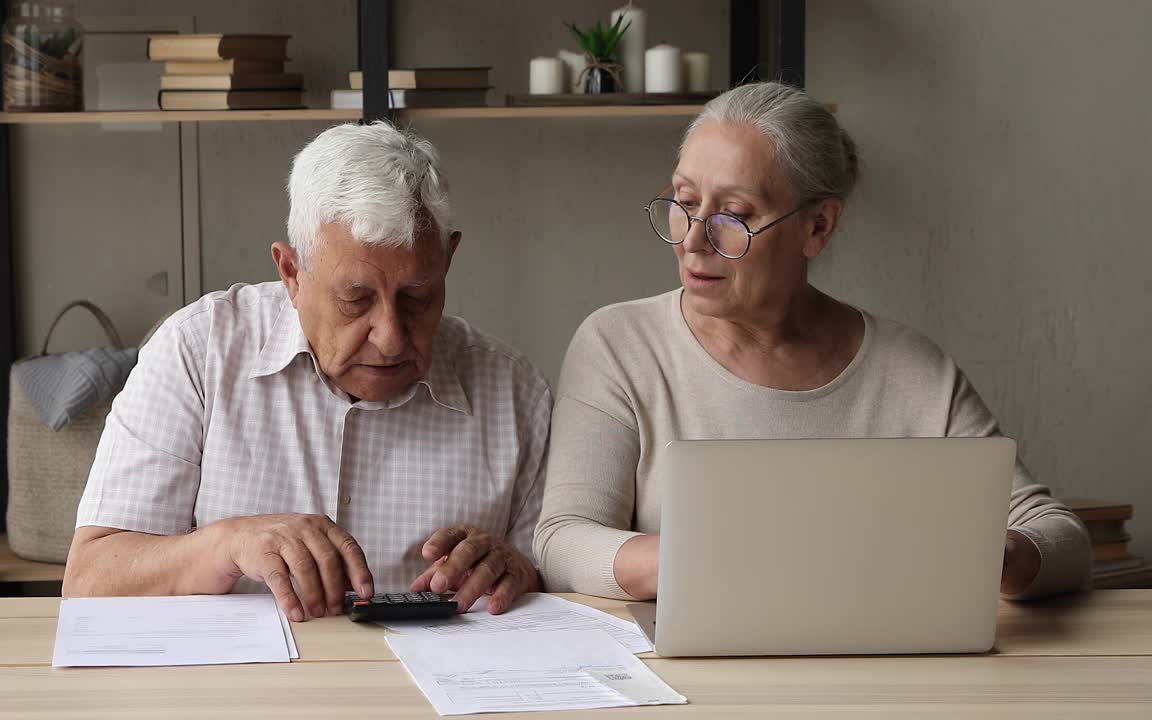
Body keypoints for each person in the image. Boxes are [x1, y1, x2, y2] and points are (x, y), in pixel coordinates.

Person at [533, 82, 1090, 602]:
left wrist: (1002, 558)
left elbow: (1058, 535)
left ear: (818, 226)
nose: (694, 240)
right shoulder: (619, 344)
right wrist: (703, 561)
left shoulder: (913, 371)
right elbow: (562, 541)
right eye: (683, 201)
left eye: (734, 214)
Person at [64, 122, 551, 621]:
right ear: (291, 273)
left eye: (418, 298)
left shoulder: (516, 395)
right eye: (356, 299)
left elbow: (557, 582)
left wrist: (521, 571)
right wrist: (224, 545)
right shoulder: (199, 352)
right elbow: (91, 577)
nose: (390, 336)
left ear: (447, 261)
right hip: (239, 693)